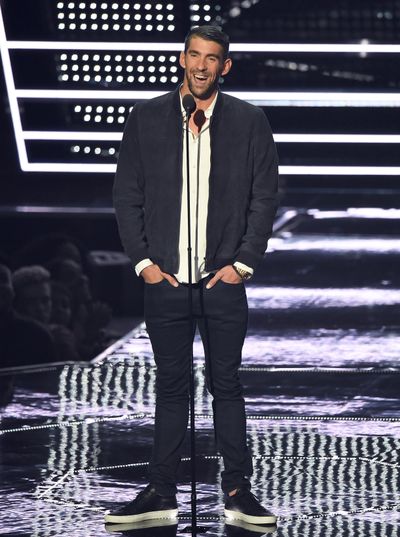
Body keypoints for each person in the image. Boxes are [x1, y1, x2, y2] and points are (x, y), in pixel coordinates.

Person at [106, 25, 279, 528]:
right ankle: (160, 490)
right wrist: (144, 264)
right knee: (170, 386)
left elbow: (263, 196)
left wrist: (242, 263)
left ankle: (238, 491)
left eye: (213, 59)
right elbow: (127, 193)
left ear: (225, 67)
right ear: (182, 59)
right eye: (194, 55)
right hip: (167, 280)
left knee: (226, 385)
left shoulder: (249, 121)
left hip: (222, 280)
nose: (201, 66)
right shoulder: (148, 117)